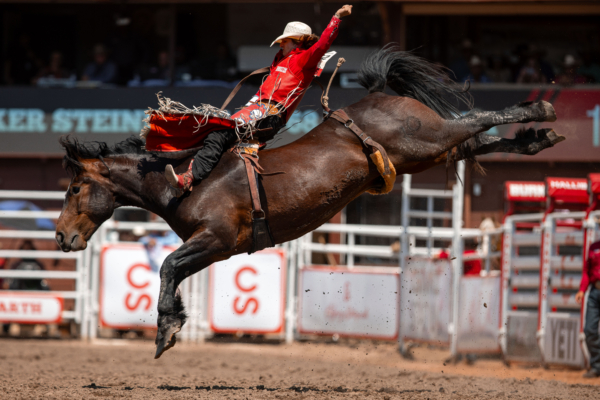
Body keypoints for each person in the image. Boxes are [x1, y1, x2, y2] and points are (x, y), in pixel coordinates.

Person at [165, 4, 353, 192]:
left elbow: (322, 45)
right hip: (259, 111)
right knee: (211, 130)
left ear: (298, 42)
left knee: (217, 134)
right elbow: (262, 94)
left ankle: (189, 179)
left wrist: (336, 17)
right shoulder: (280, 62)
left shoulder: (304, 60)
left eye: (285, 41)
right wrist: (246, 109)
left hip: (270, 116)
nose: (281, 44)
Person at [576, 239, 600, 378]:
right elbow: (587, 271)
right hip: (595, 291)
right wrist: (582, 289)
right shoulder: (594, 247)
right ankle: (597, 366)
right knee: (589, 330)